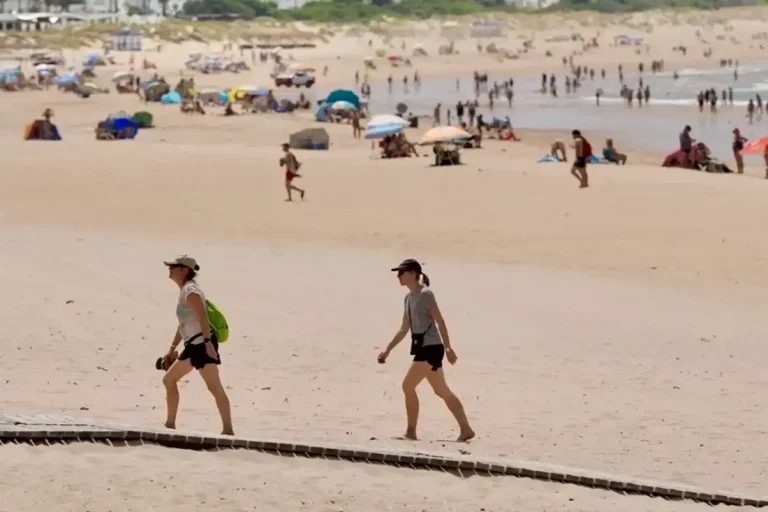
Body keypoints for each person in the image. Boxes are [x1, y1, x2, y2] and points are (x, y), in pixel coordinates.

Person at [378, 259, 475, 442]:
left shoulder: (426, 295)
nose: (398, 276)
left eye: (402, 272)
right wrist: (387, 350)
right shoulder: (408, 299)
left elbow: (440, 321)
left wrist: (448, 348)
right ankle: (466, 429)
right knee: (441, 390)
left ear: (414, 273)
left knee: (407, 385)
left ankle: (411, 432)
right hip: (422, 347)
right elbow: (404, 328)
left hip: (431, 348)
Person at [160, 255, 234, 435]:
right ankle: (169, 425)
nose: (170, 269)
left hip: (201, 344)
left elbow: (203, 317)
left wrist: (208, 344)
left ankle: (228, 430)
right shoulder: (185, 290)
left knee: (214, 387)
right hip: (193, 345)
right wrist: (171, 349)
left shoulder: (191, 290)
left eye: (174, 266)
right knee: (169, 380)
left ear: (184, 270)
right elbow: (184, 324)